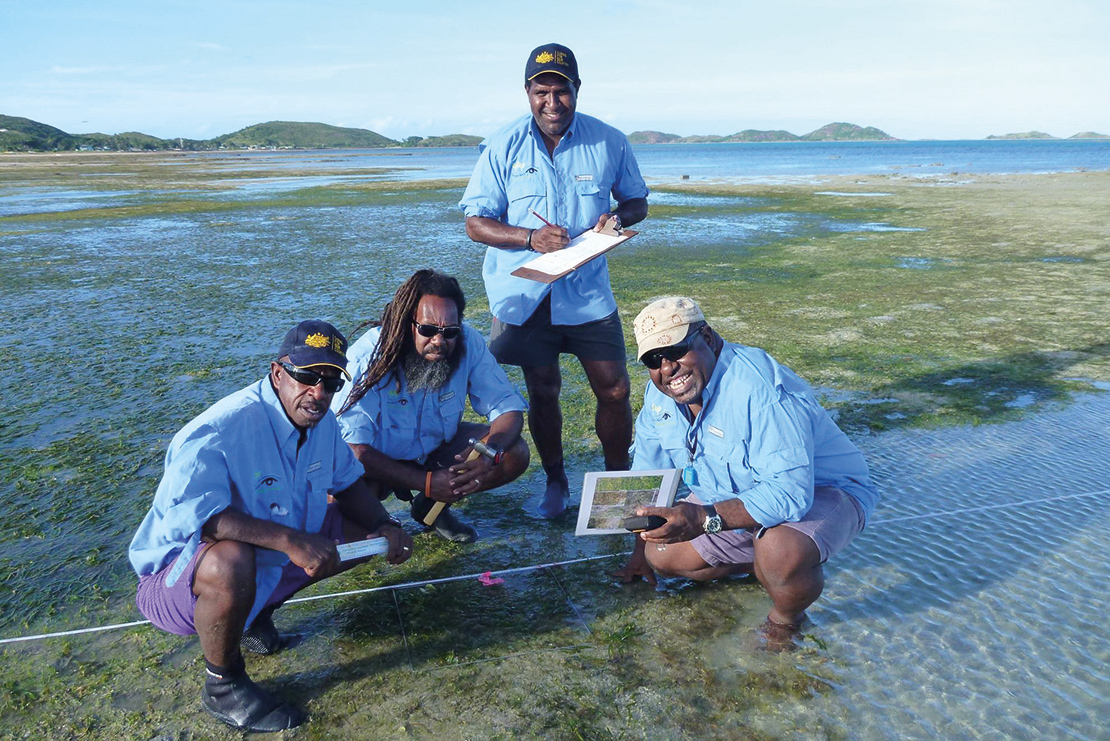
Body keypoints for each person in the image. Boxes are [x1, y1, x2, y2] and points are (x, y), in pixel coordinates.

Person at [129, 320, 414, 732]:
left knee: (362, 536)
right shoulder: (220, 429)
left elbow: (348, 481)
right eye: (307, 376)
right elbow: (200, 522)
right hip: (173, 579)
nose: (318, 393)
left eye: (331, 382)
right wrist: (290, 540)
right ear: (278, 373)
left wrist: (386, 525)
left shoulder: (322, 423)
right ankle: (222, 685)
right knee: (229, 561)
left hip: (265, 563)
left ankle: (255, 616)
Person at [615, 297, 879, 648]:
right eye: (653, 360)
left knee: (781, 551)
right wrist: (639, 553)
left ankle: (787, 619)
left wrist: (701, 518)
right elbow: (648, 476)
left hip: (823, 492)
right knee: (662, 555)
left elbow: (790, 494)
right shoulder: (658, 396)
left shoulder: (762, 391)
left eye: (676, 350)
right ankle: (763, 566)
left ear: (706, 338)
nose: (667, 369)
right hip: (731, 499)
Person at [459, 42, 649, 518]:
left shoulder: (609, 140)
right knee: (543, 391)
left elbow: (638, 202)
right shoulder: (501, 145)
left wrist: (615, 218)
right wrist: (529, 237)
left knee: (616, 389)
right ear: (527, 92)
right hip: (524, 294)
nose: (551, 102)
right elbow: (475, 222)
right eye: (541, 91)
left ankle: (617, 486)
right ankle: (556, 482)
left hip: (586, 293)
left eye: (560, 91)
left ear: (576, 90)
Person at [332, 269, 530, 544]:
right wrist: (425, 481)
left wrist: (487, 454)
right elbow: (351, 451)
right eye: (427, 330)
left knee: (514, 452)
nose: (439, 341)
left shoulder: (468, 341)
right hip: (376, 464)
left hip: (435, 452)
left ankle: (430, 508)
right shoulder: (367, 358)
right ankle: (384, 518)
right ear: (405, 323)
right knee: (339, 512)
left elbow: (508, 408)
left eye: (449, 332)